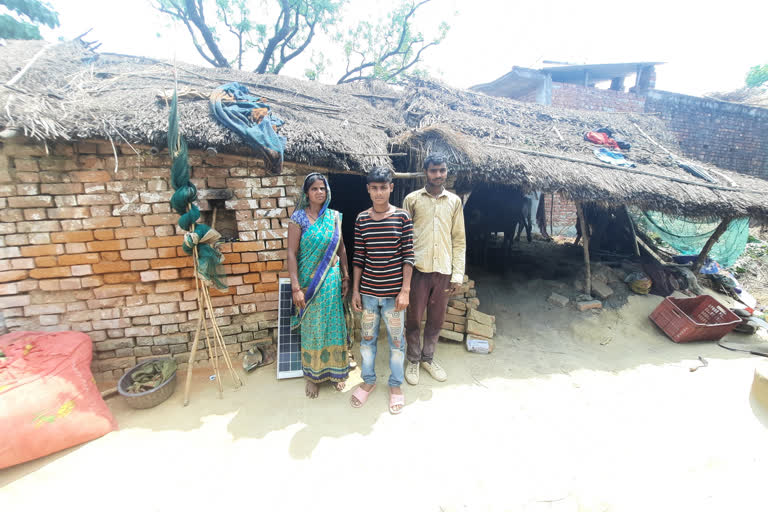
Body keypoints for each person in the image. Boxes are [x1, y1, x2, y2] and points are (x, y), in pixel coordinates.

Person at [349, 167, 414, 414]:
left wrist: (405, 290)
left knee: (397, 343)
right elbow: (359, 257)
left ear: (391, 188)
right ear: (368, 189)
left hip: (393, 296)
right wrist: (355, 291)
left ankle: (395, 386)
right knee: (367, 341)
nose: (378, 193)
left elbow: (409, 256)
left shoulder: (402, 217)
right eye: (374, 188)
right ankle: (368, 381)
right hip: (367, 294)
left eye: (383, 187)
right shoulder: (361, 219)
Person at [402, 153, 466, 385]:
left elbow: (459, 239)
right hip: (418, 270)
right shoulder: (412, 200)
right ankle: (413, 360)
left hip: (443, 271)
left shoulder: (454, 202)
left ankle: (428, 358)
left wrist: (457, 274)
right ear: (426, 172)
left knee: (436, 320)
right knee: (413, 318)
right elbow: (405, 238)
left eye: (442, 170)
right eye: (433, 171)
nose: (438, 175)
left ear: (446, 171)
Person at [287, 173, 351, 398]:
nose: (319, 192)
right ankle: (313, 377)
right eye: (314, 189)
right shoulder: (298, 219)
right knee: (313, 327)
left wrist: (345, 276)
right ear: (307, 193)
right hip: (309, 284)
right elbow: (291, 254)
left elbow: (341, 248)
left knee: (334, 324)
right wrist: (295, 287)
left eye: (322, 188)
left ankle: (336, 372)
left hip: (331, 281)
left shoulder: (334, 217)